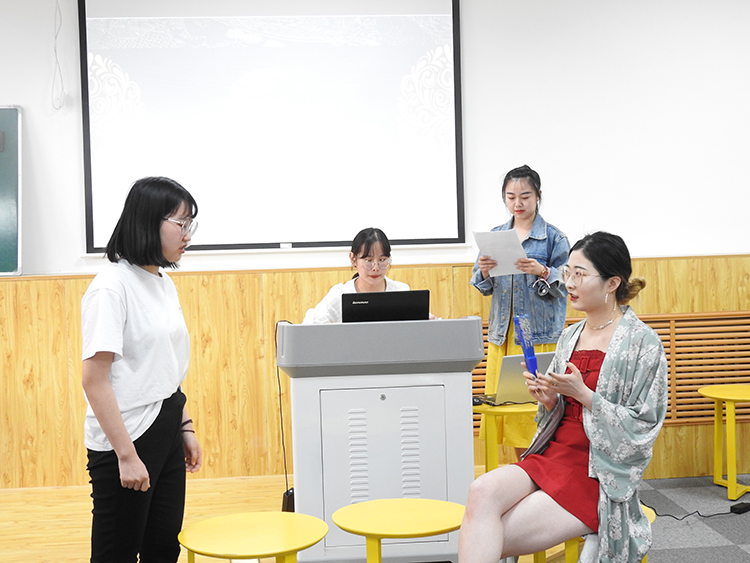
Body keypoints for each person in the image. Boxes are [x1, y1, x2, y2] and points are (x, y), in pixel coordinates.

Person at [458, 231, 668, 563]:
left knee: (489, 533)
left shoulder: (643, 343)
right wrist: (549, 400)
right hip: (553, 455)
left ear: (612, 283)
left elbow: (643, 427)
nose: (568, 282)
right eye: (567, 272)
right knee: (480, 491)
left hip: (597, 473)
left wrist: (585, 395)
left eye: (580, 274)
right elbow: (559, 412)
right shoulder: (570, 336)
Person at [81, 176, 203, 563]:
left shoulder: (163, 282)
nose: (188, 234)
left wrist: (184, 427)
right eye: (181, 223)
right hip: (128, 435)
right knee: (116, 553)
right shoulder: (111, 287)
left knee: (163, 548)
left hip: (166, 426)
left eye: (190, 224)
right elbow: (94, 380)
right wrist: (126, 455)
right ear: (149, 221)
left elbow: (166, 369)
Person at [471, 165, 569, 458]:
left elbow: (569, 283)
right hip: (504, 333)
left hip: (537, 333)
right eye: (511, 197)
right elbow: (481, 285)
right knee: (509, 408)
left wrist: (543, 271)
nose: (517, 203)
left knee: (539, 408)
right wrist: (485, 271)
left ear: (538, 196)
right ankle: (525, 470)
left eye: (525, 196)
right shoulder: (496, 236)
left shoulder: (553, 238)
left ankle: (543, 471)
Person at [303, 227, 409, 324]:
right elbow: (310, 322)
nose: (376, 268)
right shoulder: (341, 294)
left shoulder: (401, 291)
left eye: (382, 260)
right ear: (353, 259)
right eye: (368, 260)